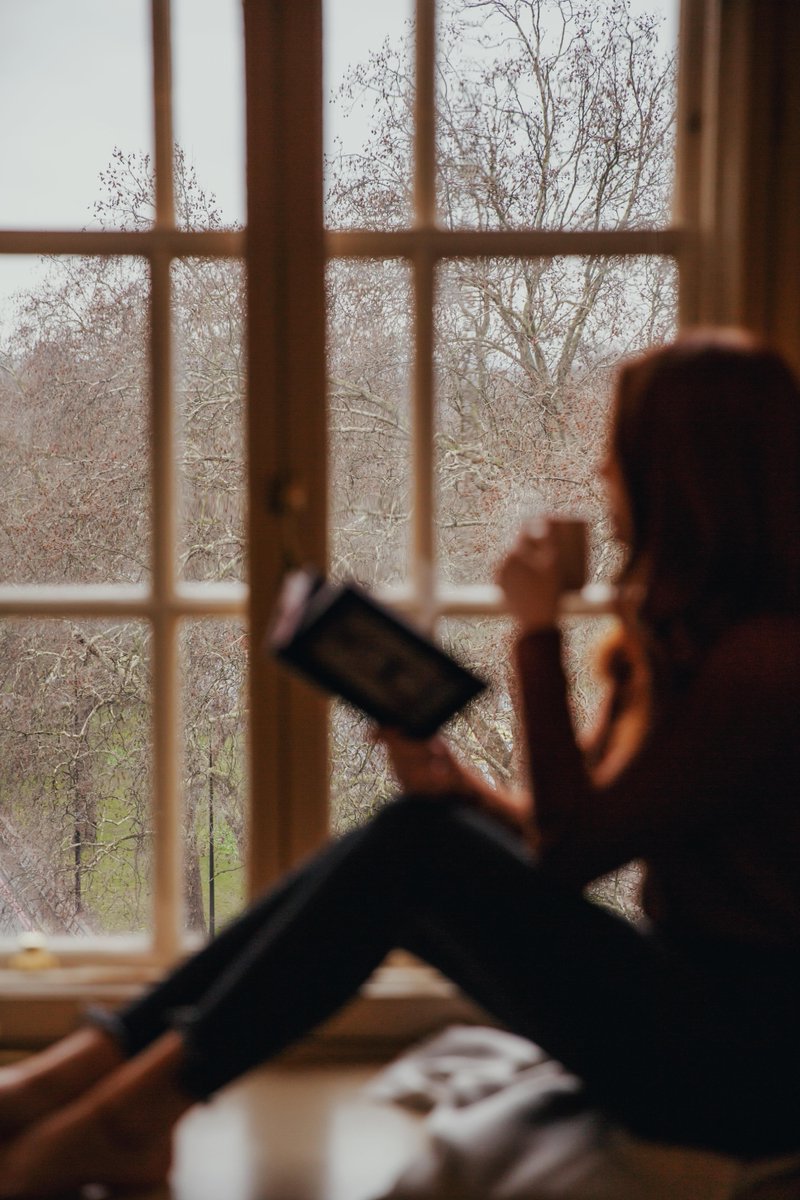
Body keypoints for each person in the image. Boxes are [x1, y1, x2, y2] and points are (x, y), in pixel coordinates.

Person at [1, 328, 800, 1196]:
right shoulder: (698, 638)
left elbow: (572, 853)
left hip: (746, 1069)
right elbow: (573, 831)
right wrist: (461, 788)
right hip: (702, 1018)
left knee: (419, 848)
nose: (602, 474)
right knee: (422, 824)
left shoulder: (766, 662)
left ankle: (130, 1109)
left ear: (679, 472)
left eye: (619, 452)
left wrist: (535, 634)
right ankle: (101, 1070)